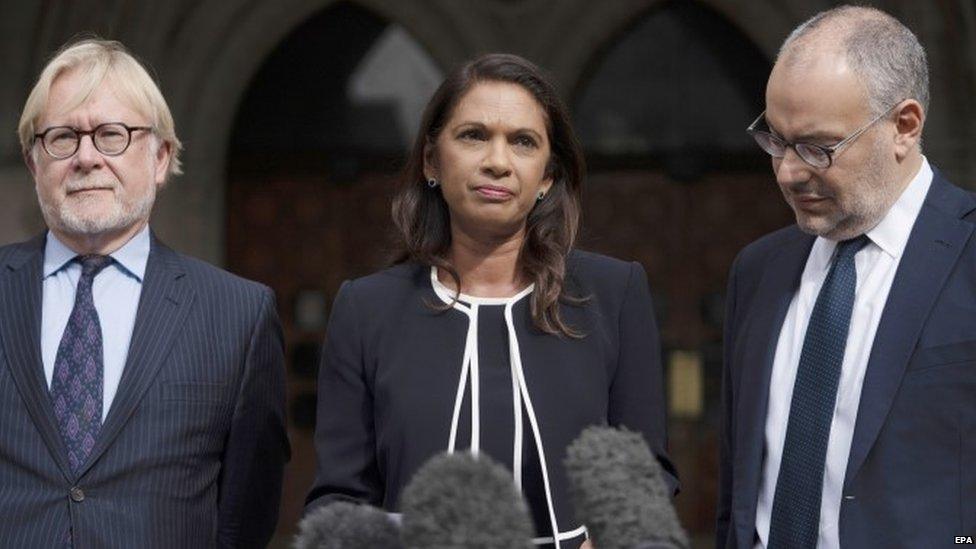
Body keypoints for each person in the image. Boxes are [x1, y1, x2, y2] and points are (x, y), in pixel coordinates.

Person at [306, 53, 677, 549]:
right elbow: (339, 497)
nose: (497, 162)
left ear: (547, 175)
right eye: (473, 135)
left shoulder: (613, 294)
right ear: (432, 161)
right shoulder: (366, 309)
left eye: (523, 142)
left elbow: (645, 469)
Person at [0, 38, 289, 547]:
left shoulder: (238, 315)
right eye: (62, 137)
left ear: (160, 157)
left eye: (112, 135)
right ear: (33, 163)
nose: (86, 157)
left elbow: (246, 515)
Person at [718, 6, 976, 549]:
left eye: (817, 147)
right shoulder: (757, 270)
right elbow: (741, 489)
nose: (789, 171)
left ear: (904, 126)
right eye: (774, 140)